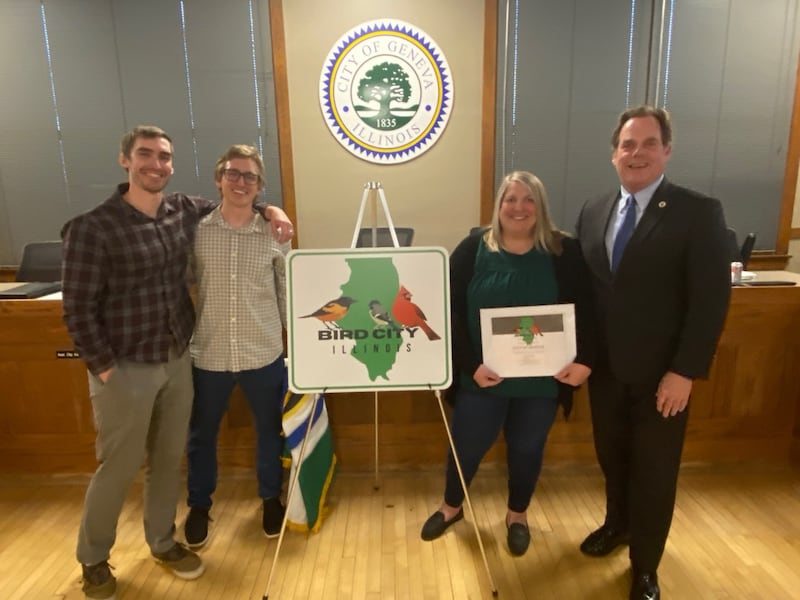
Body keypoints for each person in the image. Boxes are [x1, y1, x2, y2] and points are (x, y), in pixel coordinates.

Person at [61, 126, 293, 600]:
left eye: (164, 157)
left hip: (185, 358)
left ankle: (164, 541)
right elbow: (77, 308)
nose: (156, 164)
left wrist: (274, 210)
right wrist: (104, 367)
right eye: (145, 155)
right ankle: (94, 559)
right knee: (122, 465)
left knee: (169, 460)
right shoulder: (97, 226)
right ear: (124, 160)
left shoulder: (181, 213)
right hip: (136, 364)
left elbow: (261, 240)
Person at [575, 105, 730, 600]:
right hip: (606, 374)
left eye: (647, 144)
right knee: (612, 460)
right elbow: (589, 292)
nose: (636, 153)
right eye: (627, 144)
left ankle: (645, 566)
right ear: (613, 153)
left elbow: (710, 301)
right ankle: (617, 526)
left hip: (663, 378)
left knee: (654, 472)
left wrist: (684, 370)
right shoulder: (593, 210)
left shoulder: (697, 212)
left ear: (666, 151)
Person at [420, 171, 595, 556]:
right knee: (465, 446)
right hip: (483, 378)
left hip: (543, 382)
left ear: (540, 207)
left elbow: (590, 310)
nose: (519, 208)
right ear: (498, 207)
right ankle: (451, 507)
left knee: (527, 448)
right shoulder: (472, 249)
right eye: (510, 200)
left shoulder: (565, 252)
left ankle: (517, 516)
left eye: (528, 200)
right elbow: (446, 311)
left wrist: (585, 361)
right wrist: (469, 365)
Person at [183, 144, 289, 548]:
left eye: (249, 176)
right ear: (219, 179)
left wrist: (291, 345)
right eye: (233, 174)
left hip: (262, 353)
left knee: (269, 431)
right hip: (207, 353)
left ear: (260, 186)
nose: (240, 182)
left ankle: (269, 500)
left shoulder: (275, 234)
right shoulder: (196, 231)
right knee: (201, 436)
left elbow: (286, 294)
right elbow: (184, 287)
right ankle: (198, 506)